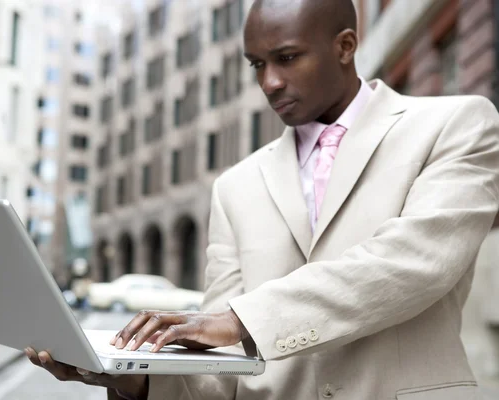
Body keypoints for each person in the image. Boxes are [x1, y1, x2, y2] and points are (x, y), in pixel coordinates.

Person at [25, 0, 499, 398]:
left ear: (345, 46)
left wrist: (238, 319)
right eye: (257, 65)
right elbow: (219, 373)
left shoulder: (456, 125)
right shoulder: (236, 185)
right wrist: (130, 377)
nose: (269, 82)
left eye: (287, 58)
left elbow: (413, 263)